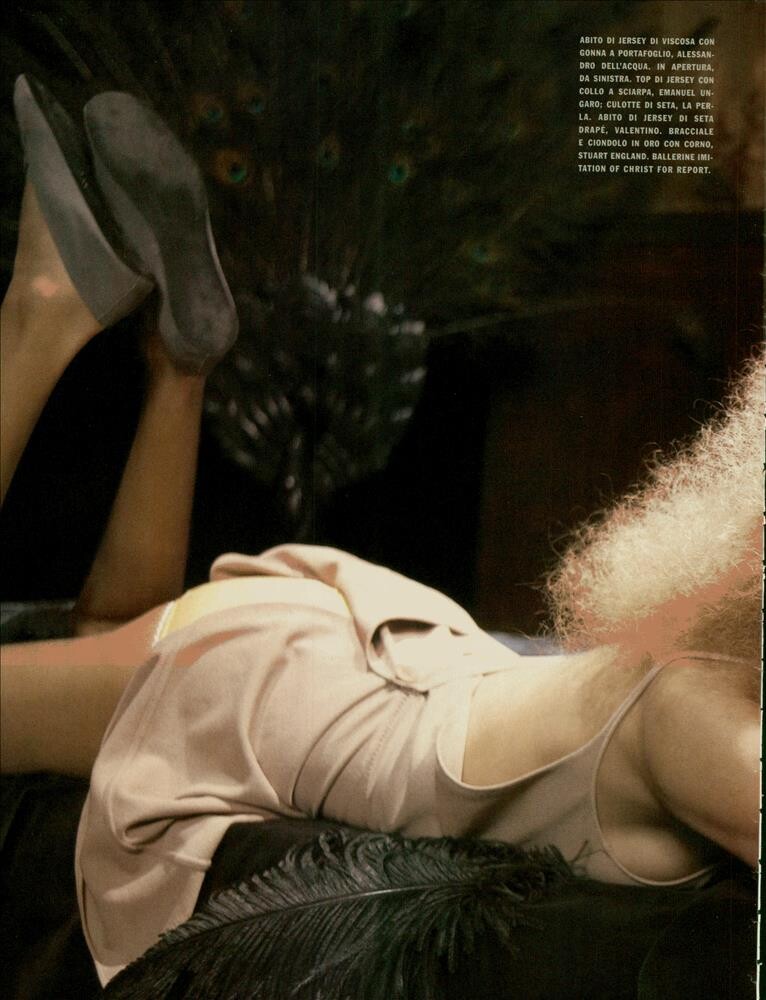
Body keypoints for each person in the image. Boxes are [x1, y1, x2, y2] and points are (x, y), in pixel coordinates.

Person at [0, 77, 761, 986]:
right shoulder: (701, 720)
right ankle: (38, 313)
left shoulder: (702, 678)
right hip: (283, 692)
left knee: (109, 632)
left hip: (353, 655)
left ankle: (181, 365)